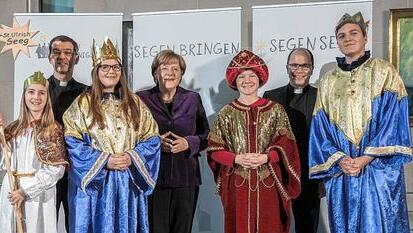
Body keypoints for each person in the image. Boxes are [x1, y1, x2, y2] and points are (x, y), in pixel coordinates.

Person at [309, 12, 412, 232]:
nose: (347, 38)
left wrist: (365, 158)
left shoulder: (385, 72)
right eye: (341, 35)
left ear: (365, 37)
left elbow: (393, 119)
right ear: (337, 42)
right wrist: (342, 159)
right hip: (343, 171)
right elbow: (321, 129)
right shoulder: (328, 81)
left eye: (353, 33)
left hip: (378, 169)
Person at [63, 37, 160, 233]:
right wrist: (104, 160)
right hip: (96, 183)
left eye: (116, 67)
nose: (111, 71)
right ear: (96, 71)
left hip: (127, 183)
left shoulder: (134, 103)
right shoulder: (82, 104)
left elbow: (152, 138)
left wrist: (131, 157)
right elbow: (72, 142)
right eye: (105, 67)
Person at [208, 49, 301, 233]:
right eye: (241, 76)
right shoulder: (227, 112)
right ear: (235, 81)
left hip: (269, 184)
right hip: (237, 185)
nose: (247, 81)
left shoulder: (275, 110)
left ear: (260, 78)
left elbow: (287, 145)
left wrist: (267, 158)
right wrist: (236, 159)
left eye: (251, 75)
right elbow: (214, 149)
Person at [137, 50, 210, 233]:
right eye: (164, 68)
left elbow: (207, 135)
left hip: (186, 177)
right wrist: (154, 143)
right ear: (155, 73)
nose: (170, 72)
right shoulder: (141, 99)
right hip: (153, 178)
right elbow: (131, 136)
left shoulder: (192, 98)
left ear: (181, 73)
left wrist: (189, 143)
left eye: (175, 68)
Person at [0, 71, 68, 233]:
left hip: (37, 196)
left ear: (47, 98)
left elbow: (55, 170)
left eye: (41, 93)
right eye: (31, 92)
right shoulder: (12, 129)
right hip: (10, 192)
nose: (36, 97)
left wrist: (25, 191)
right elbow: (5, 163)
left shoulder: (53, 130)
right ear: (24, 96)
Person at [263, 48, 320, 233]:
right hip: (279, 174)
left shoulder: (322, 97)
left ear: (312, 69)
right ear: (287, 67)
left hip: (309, 175)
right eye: (294, 65)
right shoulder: (271, 97)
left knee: (307, 227)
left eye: (304, 65)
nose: (299, 70)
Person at [47, 35, 87, 230]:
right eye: (56, 52)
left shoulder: (86, 93)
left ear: (77, 58)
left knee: (77, 223)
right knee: (46, 223)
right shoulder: (38, 90)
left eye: (68, 52)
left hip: (76, 170)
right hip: (47, 170)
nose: (62, 57)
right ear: (49, 58)